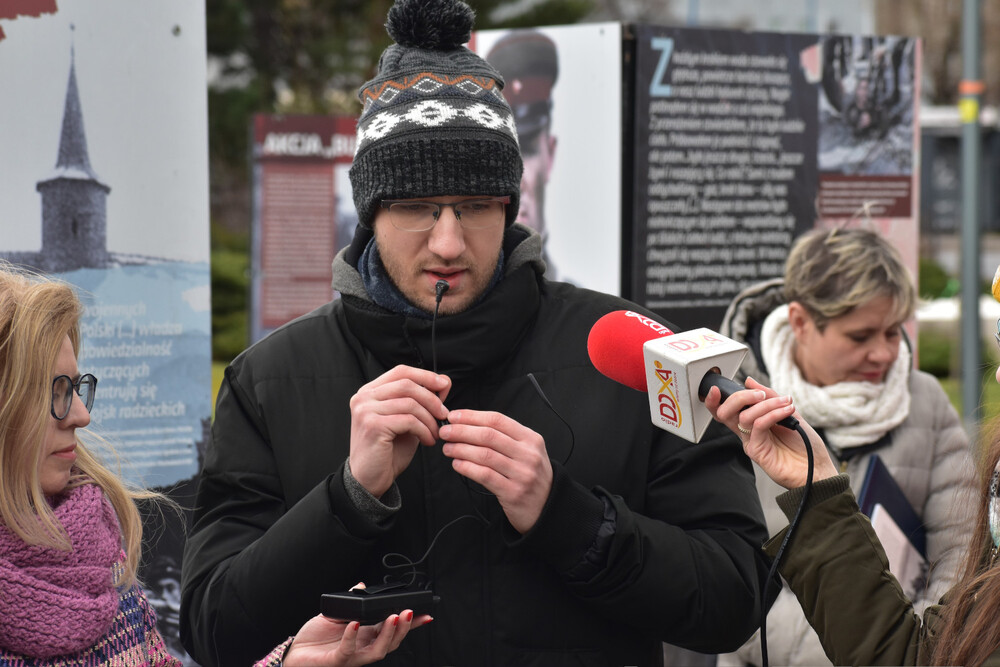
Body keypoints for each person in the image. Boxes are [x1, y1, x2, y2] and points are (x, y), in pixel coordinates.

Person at [180, 0, 772, 665]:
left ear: (511, 206)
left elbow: (736, 595)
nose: (449, 241)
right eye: (417, 208)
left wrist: (567, 516)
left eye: (476, 208)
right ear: (370, 214)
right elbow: (213, 630)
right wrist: (347, 499)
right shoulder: (271, 379)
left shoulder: (627, 350)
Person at [0, 263, 425, 665]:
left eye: (75, 387)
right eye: (53, 391)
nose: (81, 415)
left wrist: (290, 661)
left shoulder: (94, 544)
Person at [714, 227, 976, 667]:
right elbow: (719, 565)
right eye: (861, 336)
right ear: (800, 322)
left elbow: (961, 550)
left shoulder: (926, 401)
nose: (884, 353)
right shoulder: (735, 408)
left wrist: (904, 644)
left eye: (894, 332)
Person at [485, 29, 560, 276]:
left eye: (526, 151)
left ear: (550, 156)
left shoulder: (582, 307)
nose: (513, 181)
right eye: (497, 157)